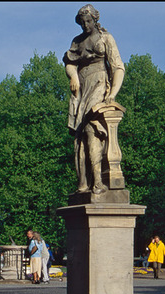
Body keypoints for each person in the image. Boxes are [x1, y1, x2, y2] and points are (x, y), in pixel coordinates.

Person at [64, 4, 125, 194]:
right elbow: (69, 63)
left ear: (95, 19)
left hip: (99, 83)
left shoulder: (106, 38)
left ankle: (98, 181)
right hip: (82, 88)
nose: (85, 25)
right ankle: (83, 183)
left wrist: (112, 93)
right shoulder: (77, 41)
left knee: (91, 129)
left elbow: (118, 67)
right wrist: (73, 76)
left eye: (88, 21)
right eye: (82, 22)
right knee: (80, 136)